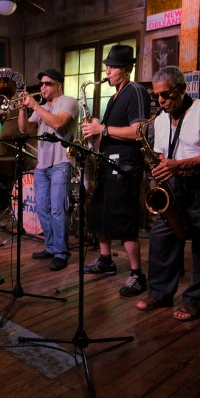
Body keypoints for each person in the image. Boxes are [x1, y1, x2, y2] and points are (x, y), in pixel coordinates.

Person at [136, 65, 200, 321]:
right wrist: (160, 167)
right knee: (161, 237)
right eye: (156, 95)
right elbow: (162, 154)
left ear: (182, 88)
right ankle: (160, 293)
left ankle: (195, 300)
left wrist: (177, 166)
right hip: (176, 183)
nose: (161, 101)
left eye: (166, 94)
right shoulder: (160, 119)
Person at [80, 45, 151, 297]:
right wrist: (94, 135)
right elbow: (108, 133)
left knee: (124, 220)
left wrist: (103, 129)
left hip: (125, 167)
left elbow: (139, 131)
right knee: (98, 213)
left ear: (127, 69)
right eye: (107, 67)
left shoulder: (136, 91)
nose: (107, 72)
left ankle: (137, 274)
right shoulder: (114, 97)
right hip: (107, 164)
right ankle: (106, 260)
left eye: (112, 67)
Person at [18, 68, 79, 271]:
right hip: (42, 164)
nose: (43, 87)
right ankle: (51, 247)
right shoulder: (41, 108)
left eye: (47, 83)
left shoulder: (69, 102)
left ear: (58, 85)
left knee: (58, 209)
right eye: (41, 84)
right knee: (42, 208)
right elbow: (24, 129)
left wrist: (34, 105)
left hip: (61, 163)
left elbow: (58, 123)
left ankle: (61, 252)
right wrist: (22, 109)